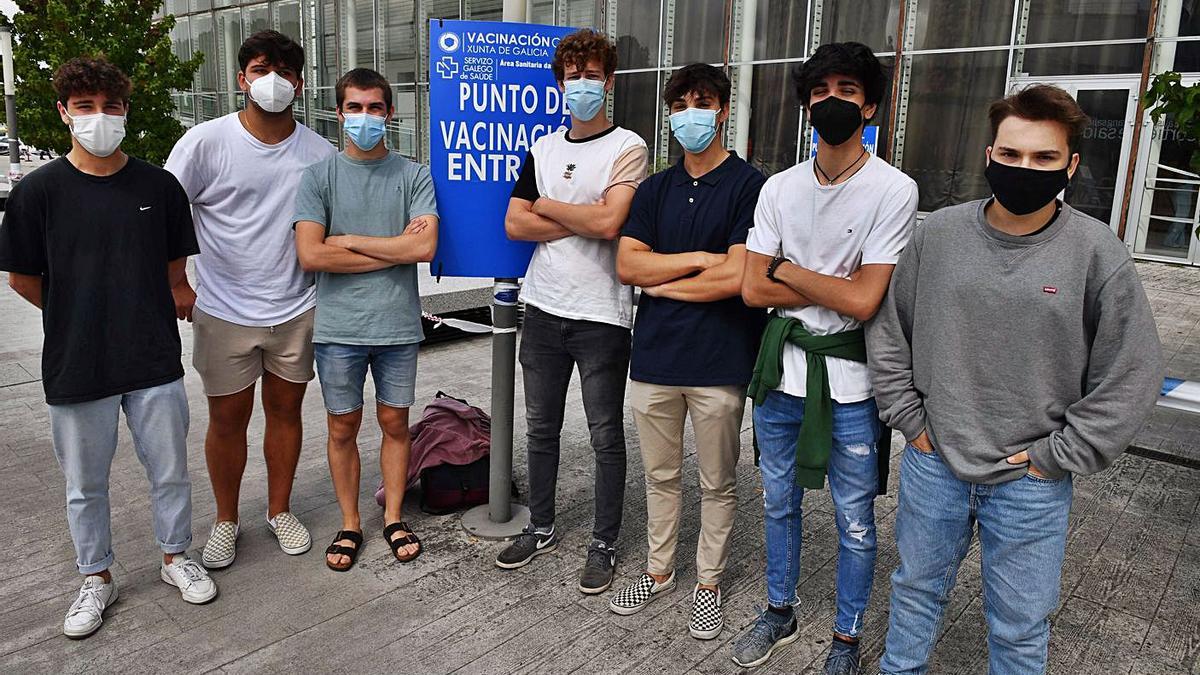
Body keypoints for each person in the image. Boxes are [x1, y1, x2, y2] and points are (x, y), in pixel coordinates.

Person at [871, 84, 1164, 675]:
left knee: (1021, 626)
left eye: (1043, 158)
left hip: (1029, 479)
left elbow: (1132, 370)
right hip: (936, 462)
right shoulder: (940, 234)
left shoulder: (1096, 252)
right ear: (989, 155)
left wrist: (1058, 455)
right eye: (1010, 154)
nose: (1023, 168)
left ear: (1071, 165)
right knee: (914, 595)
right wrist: (910, 421)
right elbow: (890, 331)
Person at [0, 57, 216, 639]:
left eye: (111, 106)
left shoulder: (158, 187)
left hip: (152, 358)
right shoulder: (37, 193)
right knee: (84, 483)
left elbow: (175, 270)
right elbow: (23, 278)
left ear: (126, 110)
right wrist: (78, 309)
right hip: (77, 362)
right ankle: (96, 577)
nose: (100, 117)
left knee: (169, 471)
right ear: (64, 114)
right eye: (86, 106)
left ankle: (176, 558)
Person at [731, 42, 919, 673]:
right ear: (806, 104)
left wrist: (785, 266)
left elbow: (865, 300)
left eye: (846, 89)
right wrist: (817, 280)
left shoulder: (893, 189)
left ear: (870, 105)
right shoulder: (778, 188)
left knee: (855, 518)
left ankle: (846, 635)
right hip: (779, 377)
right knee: (778, 501)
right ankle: (779, 611)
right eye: (819, 91)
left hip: (854, 385)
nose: (831, 101)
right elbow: (753, 289)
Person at [165, 30, 336, 569]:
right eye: (262, 69)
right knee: (227, 420)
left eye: (285, 71)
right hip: (223, 309)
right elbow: (168, 217)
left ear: (301, 84)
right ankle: (226, 520)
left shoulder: (320, 152)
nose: (274, 81)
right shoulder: (204, 143)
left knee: (286, 414)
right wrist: (177, 284)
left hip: (295, 308)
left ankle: (279, 510)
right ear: (242, 79)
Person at [608, 63, 766, 640]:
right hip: (654, 358)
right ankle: (658, 570)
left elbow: (738, 278)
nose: (689, 113)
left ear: (722, 110)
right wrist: (700, 260)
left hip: (720, 360)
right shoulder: (653, 188)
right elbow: (628, 264)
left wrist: (660, 281)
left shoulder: (751, 186)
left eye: (702, 101)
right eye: (680, 103)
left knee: (718, 480)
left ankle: (708, 582)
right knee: (660, 474)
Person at [495, 28, 648, 595]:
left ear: (609, 82)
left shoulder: (628, 146)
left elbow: (613, 224)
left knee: (606, 433)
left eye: (592, 75)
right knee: (541, 429)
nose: (581, 84)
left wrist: (551, 208)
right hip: (542, 308)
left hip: (602, 314)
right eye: (572, 75)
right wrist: (586, 212)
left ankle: (604, 542)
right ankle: (540, 526)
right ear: (559, 82)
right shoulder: (542, 148)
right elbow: (514, 223)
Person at [293, 67, 438, 571]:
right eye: (354, 108)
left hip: (397, 324)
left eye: (374, 107)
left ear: (389, 113)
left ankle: (394, 516)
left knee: (395, 422)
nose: (365, 117)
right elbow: (311, 256)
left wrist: (349, 239)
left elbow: (423, 245)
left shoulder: (414, 175)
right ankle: (351, 522)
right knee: (342, 427)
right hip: (339, 328)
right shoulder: (318, 178)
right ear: (338, 114)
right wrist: (393, 250)